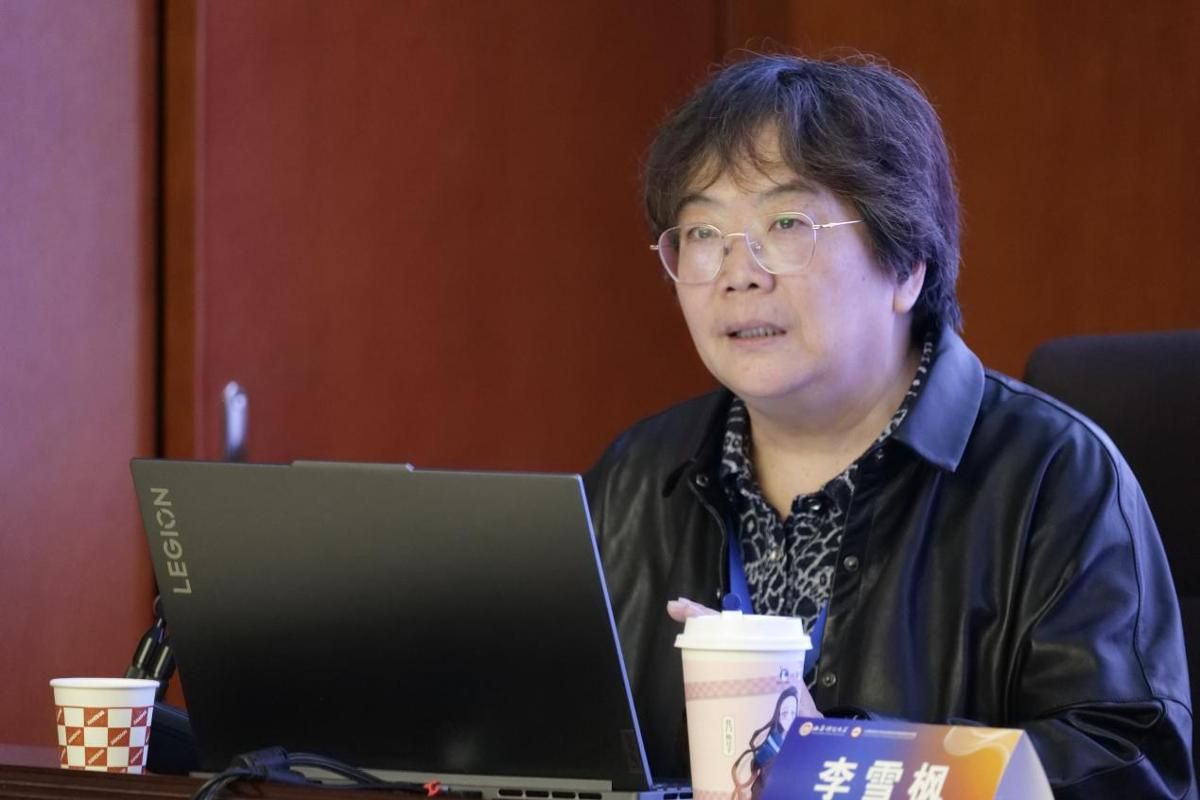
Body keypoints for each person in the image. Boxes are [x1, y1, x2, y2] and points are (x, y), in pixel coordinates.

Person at [584, 53, 1193, 798]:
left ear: (907, 266)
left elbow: (1132, 767)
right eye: (704, 232)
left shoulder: (1053, 476)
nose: (738, 273)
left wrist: (858, 765)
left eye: (786, 223)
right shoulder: (635, 478)